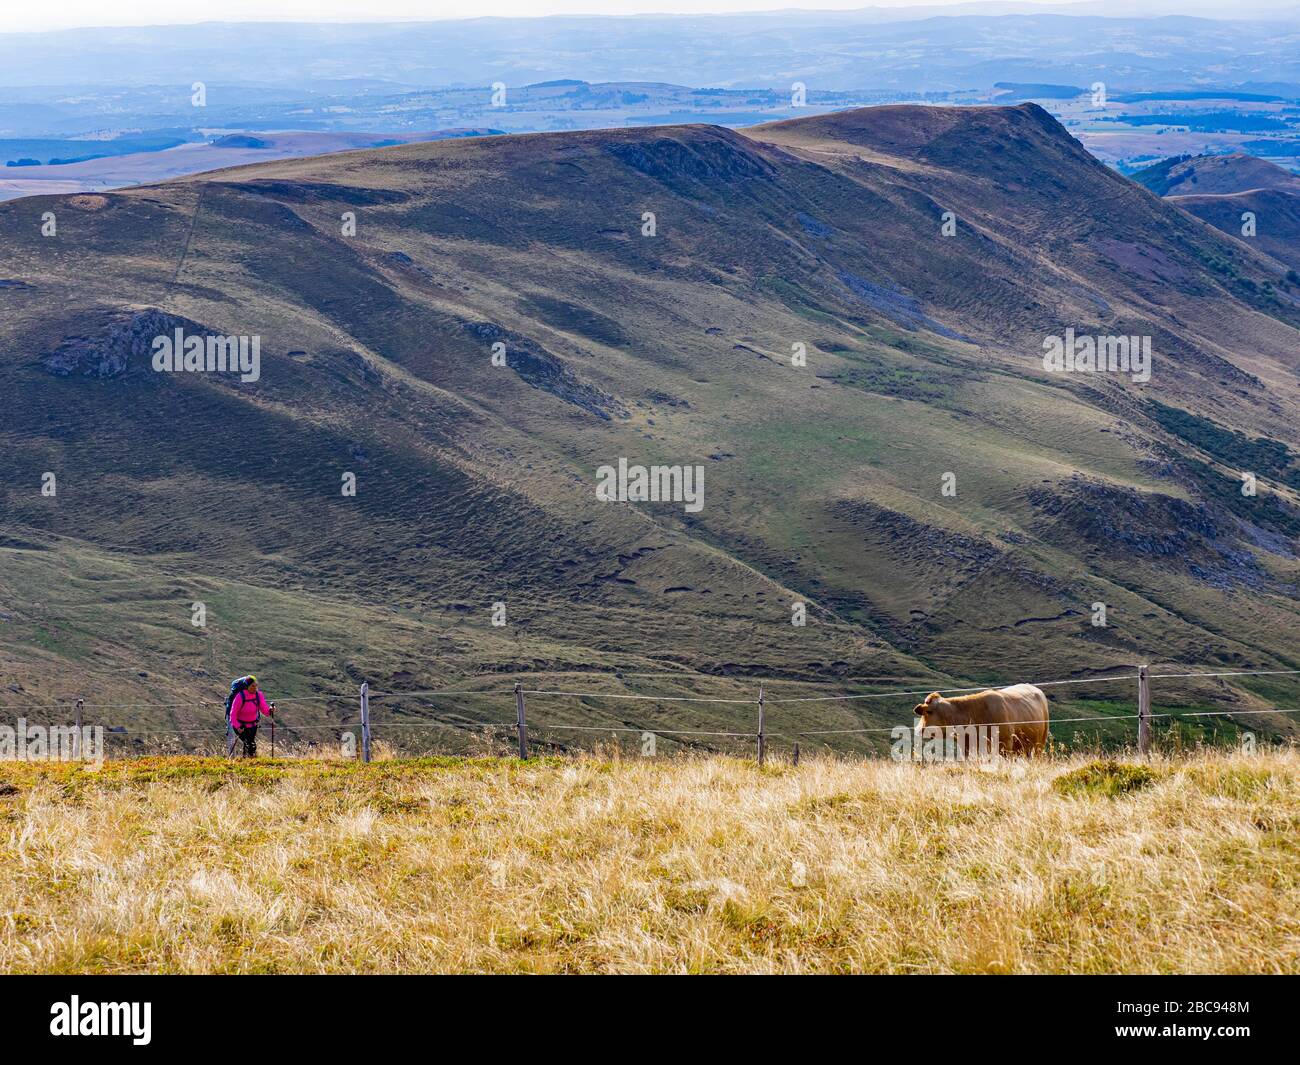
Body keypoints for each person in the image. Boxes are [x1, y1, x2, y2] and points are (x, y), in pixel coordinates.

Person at [228, 676, 275, 758]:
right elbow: (233, 715)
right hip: (241, 726)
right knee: (250, 745)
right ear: (247, 687)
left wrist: (270, 711)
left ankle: (246, 762)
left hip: (253, 725)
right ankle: (250, 761)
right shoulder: (240, 696)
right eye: (252, 686)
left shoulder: (258, 695)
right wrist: (238, 726)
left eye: (256, 685)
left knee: (250, 744)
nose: (255, 688)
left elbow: (265, 710)